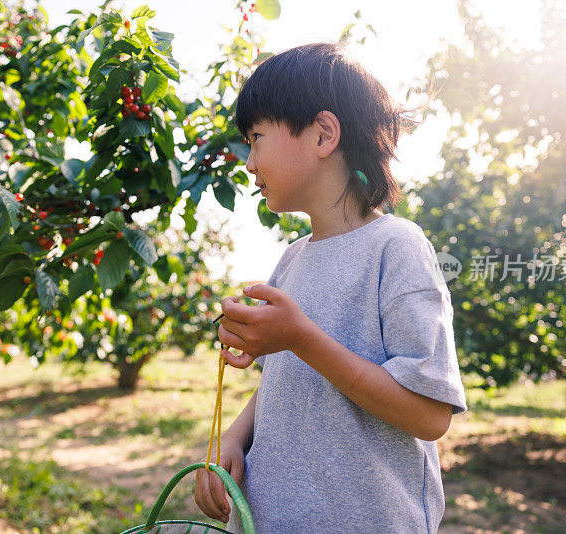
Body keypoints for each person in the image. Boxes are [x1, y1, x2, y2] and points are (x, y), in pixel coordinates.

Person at [194, 41, 468, 533]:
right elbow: (289, 381)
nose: (249, 163)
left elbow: (430, 416)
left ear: (323, 134)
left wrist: (299, 336)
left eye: (256, 138)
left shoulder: (396, 248)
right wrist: (234, 437)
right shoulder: (293, 259)